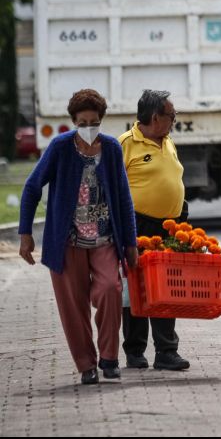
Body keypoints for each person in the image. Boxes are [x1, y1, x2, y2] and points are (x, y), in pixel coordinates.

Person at [18, 88, 138, 385]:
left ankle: (109, 357)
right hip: (67, 242)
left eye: (93, 122)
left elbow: (123, 197)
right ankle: (86, 364)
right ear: (73, 121)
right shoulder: (60, 148)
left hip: (104, 239)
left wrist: (131, 243)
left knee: (110, 289)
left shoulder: (110, 148)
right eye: (82, 122)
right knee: (74, 306)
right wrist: (25, 234)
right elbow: (32, 188)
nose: (88, 128)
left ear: (101, 120)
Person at [118, 89, 190, 371]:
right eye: (171, 115)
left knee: (166, 288)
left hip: (169, 227)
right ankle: (135, 351)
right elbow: (113, 188)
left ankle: (166, 351)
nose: (174, 120)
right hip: (137, 224)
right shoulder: (125, 144)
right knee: (135, 289)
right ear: (155, 117)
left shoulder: (168, 141)